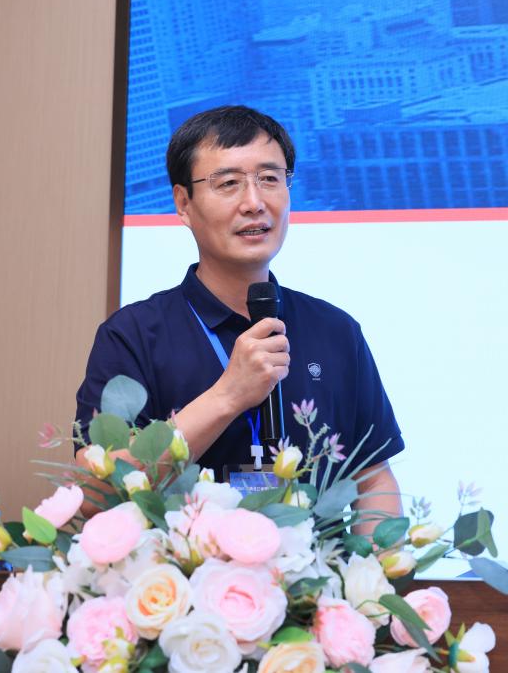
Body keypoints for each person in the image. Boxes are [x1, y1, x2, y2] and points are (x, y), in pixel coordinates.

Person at [75, 105, 403, 530]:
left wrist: (378, 568)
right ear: (183, 203)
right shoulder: (133, 335)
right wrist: (228, 396)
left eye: (270, 179)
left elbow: (372, 477)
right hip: (184, 571)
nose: (254, 202)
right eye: (228, 183)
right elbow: (95, 493)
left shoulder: (335, 330)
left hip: (315, 572)